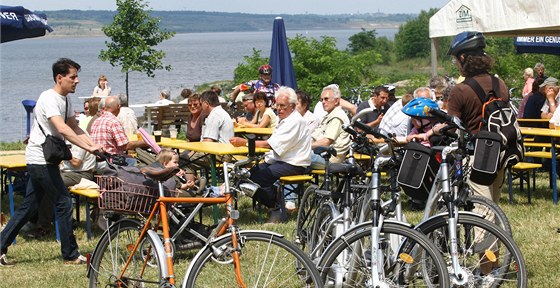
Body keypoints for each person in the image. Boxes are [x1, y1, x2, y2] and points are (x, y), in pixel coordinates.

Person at [0, 58, 103, 266]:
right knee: (63, 202)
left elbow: (74, 126)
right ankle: (70, 254)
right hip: (40, 160)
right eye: (72, 77)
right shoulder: (48, 98)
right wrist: (88, 148)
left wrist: (95, 145)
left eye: (77, 76)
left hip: (46, 161)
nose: (77, 81)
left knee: (28, 207)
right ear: (60, 78)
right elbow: (62, 128)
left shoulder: (65, 99)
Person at [230, 86, 311, 223]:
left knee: (259, 177)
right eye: (277, 105)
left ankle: (276, 207)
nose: (278, 109)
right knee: (247, 176)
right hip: (281, 160)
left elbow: (269, 144)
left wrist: (244, 142)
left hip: (295, 163)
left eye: (282, 106)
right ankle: (275, 203)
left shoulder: (295, 121)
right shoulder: (286, 118)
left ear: (292, 106)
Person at [310, 84, 352, 169]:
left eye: (326, 99)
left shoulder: (337, 117)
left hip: (329, 159)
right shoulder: (328, 116)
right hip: (320, 154)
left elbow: (326, 142)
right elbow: (314, 135)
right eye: (322, 99)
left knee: (297, 157)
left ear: (336, 101)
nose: (323, 102)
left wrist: (305, 147)